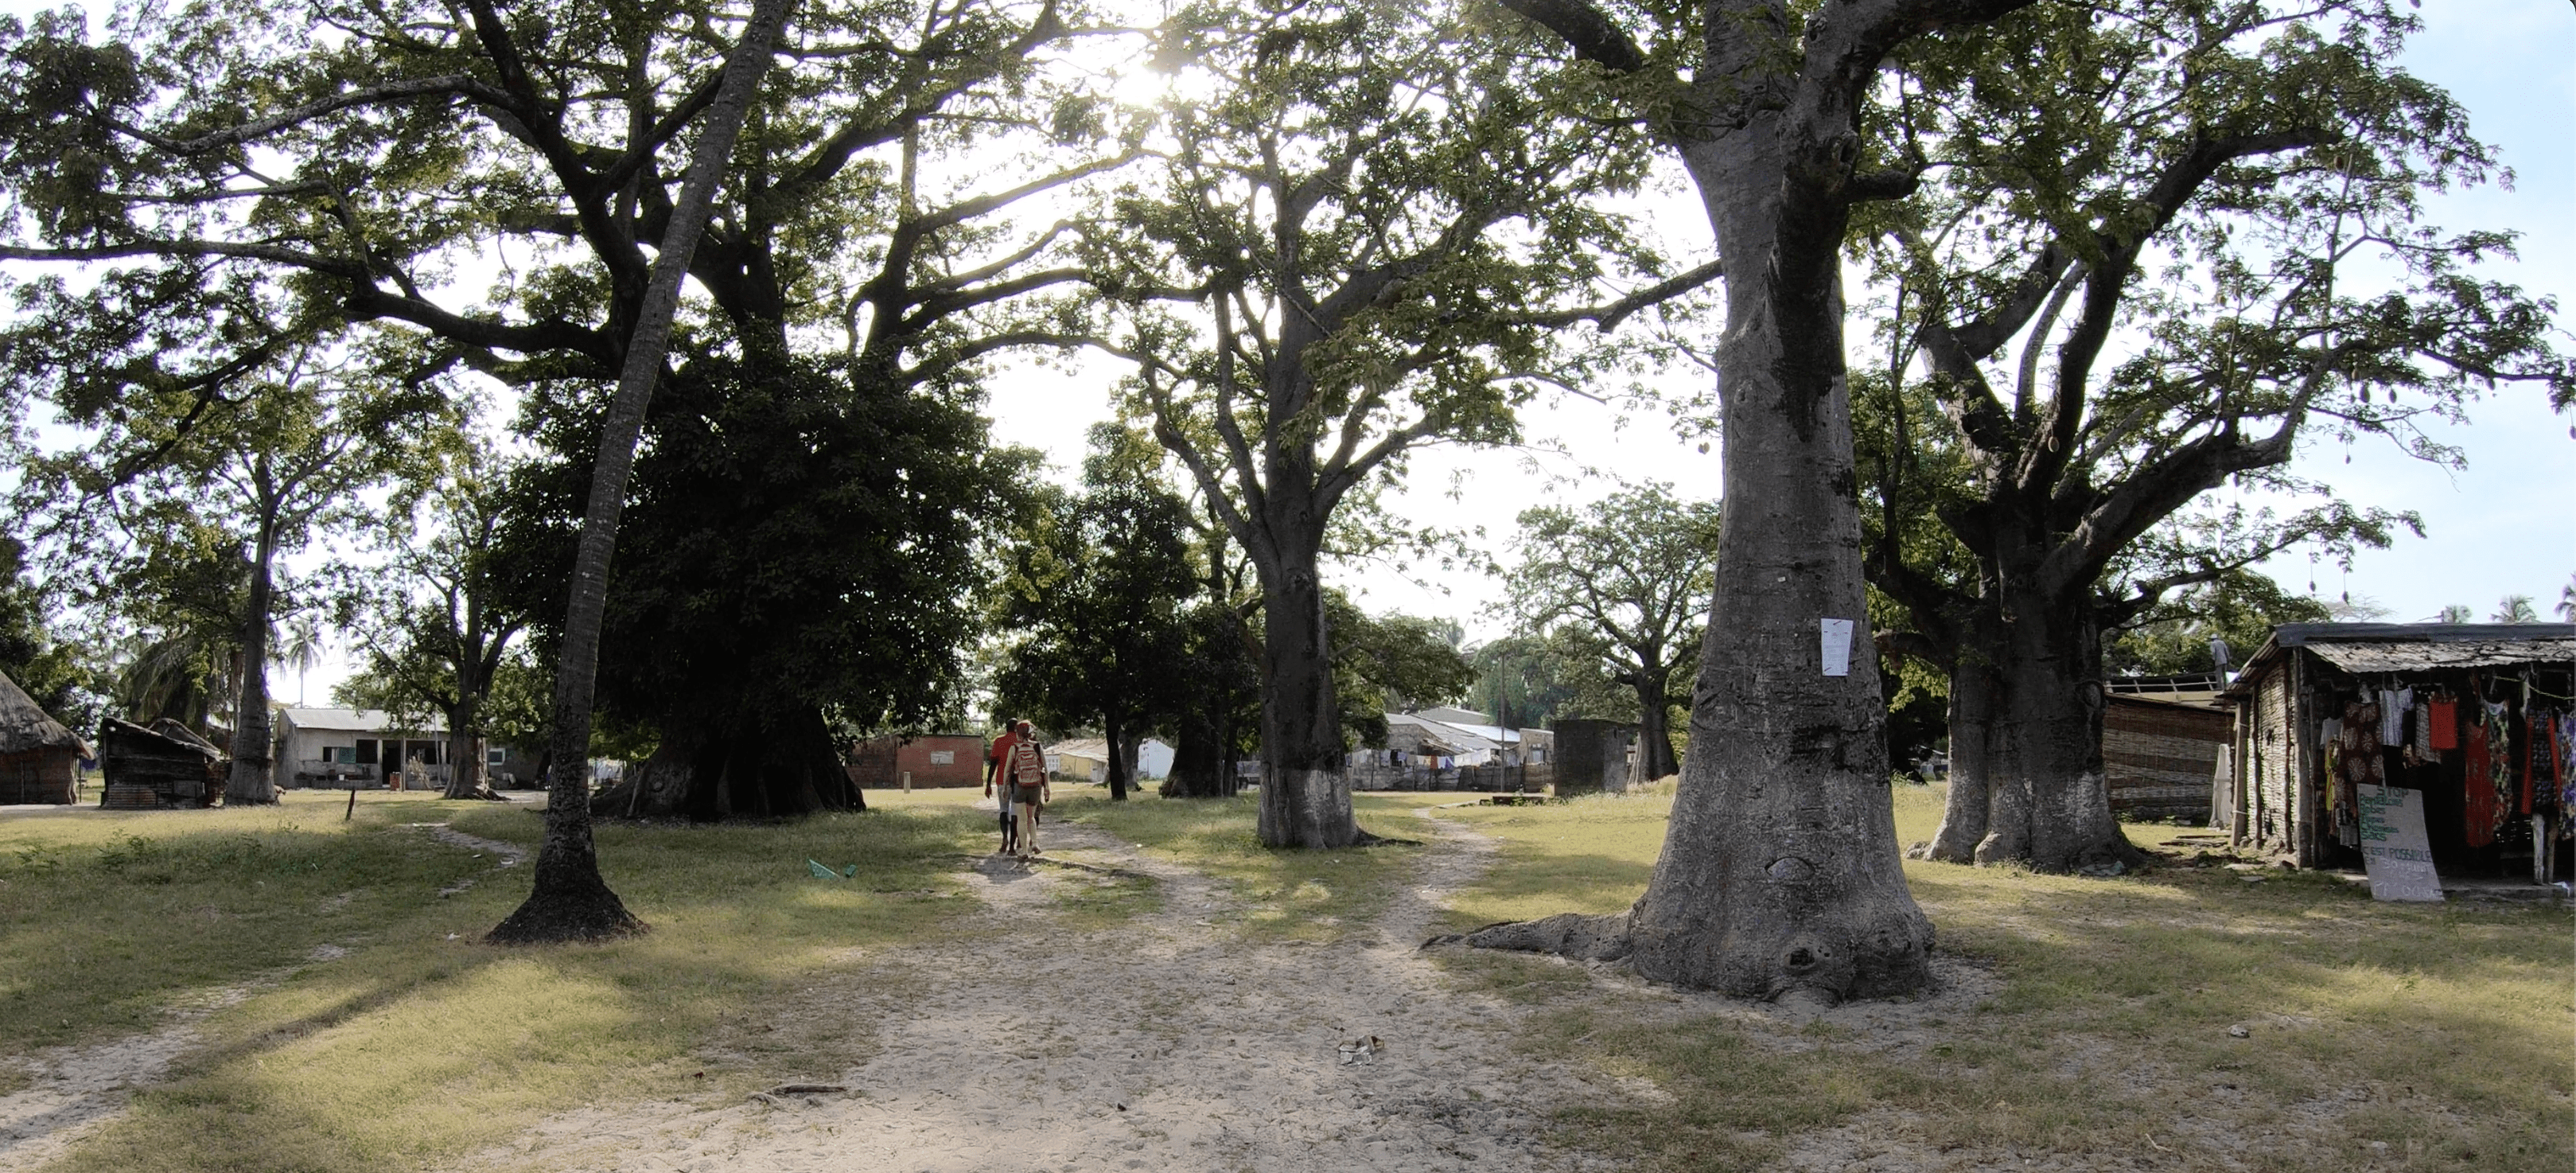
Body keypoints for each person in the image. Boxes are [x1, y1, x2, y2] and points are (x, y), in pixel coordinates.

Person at [1004, 719, 1049, 858]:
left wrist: (1005, 787)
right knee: (1031, 817)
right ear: (1031, 733)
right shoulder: (1037, 747)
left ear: (1018, 733)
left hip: (1020, 786)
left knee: (1021, 819)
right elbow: (1045, 768)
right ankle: (1034, 843)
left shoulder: (1014, 748)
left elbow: (1007, 770)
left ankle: (1023, 851)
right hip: (1035, 786)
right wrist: (1047, 788)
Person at [984, 720, 1024, 855]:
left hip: (1002, 781)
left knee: (1003, 810)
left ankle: (1004, 839)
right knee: (1015, 812)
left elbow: (993, 764)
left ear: (1006, 728)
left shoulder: (999, 742)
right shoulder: (1021, 741)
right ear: (1016, 728)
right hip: (1018, 782)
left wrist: (988, 784)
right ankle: (1015, 842)